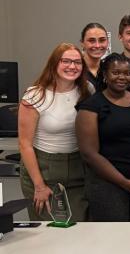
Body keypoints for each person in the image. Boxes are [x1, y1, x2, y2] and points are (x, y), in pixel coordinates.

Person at [76, 53, 130, 221]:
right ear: (105, 75)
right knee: (113, 240)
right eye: (115, 72)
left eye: (127, 73)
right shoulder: (91, 107)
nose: (122, 77)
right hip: (107, 184)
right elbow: (89, 153)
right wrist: (124, 182)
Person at [18, 43, 93, 221]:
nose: (72, 66)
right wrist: (39, 186)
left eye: (77, 62)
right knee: (49, 233)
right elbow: (25, 144)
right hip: (43, 171)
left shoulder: (87, 90)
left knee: (79, 229)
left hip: (77, 169)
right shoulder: (35, 96)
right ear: (54, 64)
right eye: (65, 61)